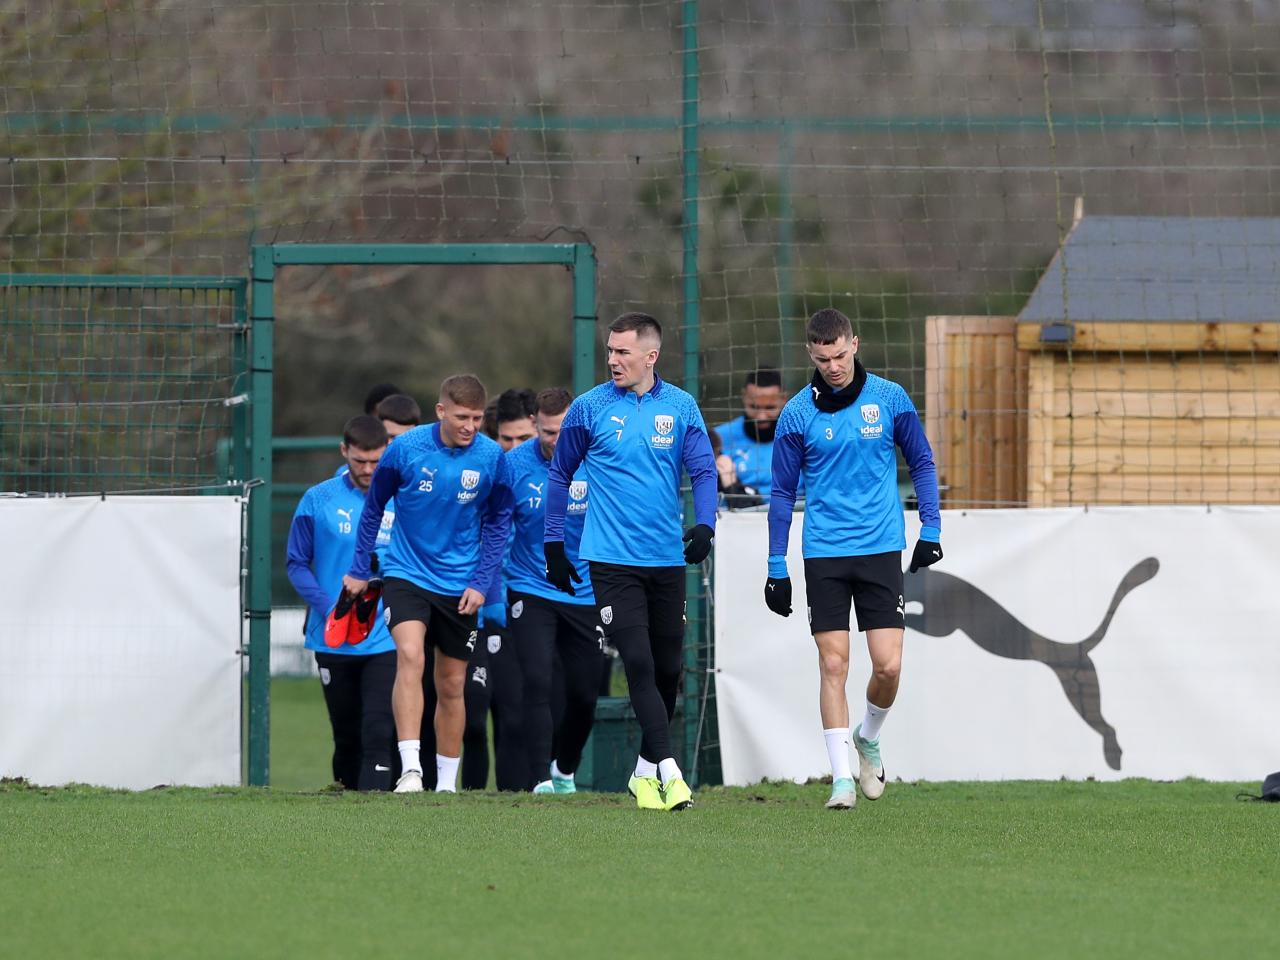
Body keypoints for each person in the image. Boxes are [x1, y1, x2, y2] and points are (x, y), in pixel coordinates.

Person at [764, 308, 942, 810]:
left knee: (888, 667)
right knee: (834, 663)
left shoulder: (889, 398)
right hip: (824, 552)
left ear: (855, 344)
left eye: (840, 355)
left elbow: (922, 461)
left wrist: (931, 527)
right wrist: (777, 566)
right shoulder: (798, 413)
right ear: (811, 355)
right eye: (823, 358)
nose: (834, 366)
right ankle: (841, 780)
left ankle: (868, 737)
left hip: (881, 548)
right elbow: (781, 494)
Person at [544, 312, 718, 812]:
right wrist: (555, 545)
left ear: (651, 356)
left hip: (666, 560)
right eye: (610, 351)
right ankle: (669, 773)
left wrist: (705, 525)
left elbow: (703, 471)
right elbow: (560, 476)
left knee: (668, 671)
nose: (613, 360)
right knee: (638, 662)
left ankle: (643, 772)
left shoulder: (681, 407)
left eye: (623, 352)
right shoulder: (589, 408)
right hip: (610, 560)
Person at [343, 374, 513, 794]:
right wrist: (361, 567)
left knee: (452, 684)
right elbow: (373, 508)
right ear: (441, 411)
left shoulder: (492, 457)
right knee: (410, 654)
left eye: (476, 417)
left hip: (461, 584)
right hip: (407, 573)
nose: (470, 425)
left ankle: (446, 785)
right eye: (461, 416)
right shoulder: (404, 449)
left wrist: (481, 580)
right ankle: (412, 771)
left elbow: (498, 522)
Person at [285, 415, 397, 791]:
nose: (368, 470)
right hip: (332, 636)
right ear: (344, 452)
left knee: (379, 729)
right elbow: (296, 563)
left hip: (387, 635)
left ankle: (377, 813)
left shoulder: (405, 499)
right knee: (346, 733)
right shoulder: (318, 499)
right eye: (359, 461)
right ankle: (347, 807)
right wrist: (328, 606)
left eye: (376, 461)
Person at [506, 387, 604, 795]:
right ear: (535, 426)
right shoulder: (513, 466)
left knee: (584, 693)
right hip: (530, 586)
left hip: (583, 592)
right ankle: (540, 781)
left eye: (563, 431)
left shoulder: (599, 461)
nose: (556, 440)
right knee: (537, 679)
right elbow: (493, 524)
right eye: (547, 432)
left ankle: (564, 769)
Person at [714, 367, 787, 503]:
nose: (761, 417)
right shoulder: (719, 438)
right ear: (744, 397)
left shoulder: (800, 437)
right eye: (754, 407)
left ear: (783, 399)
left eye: (770, 408)